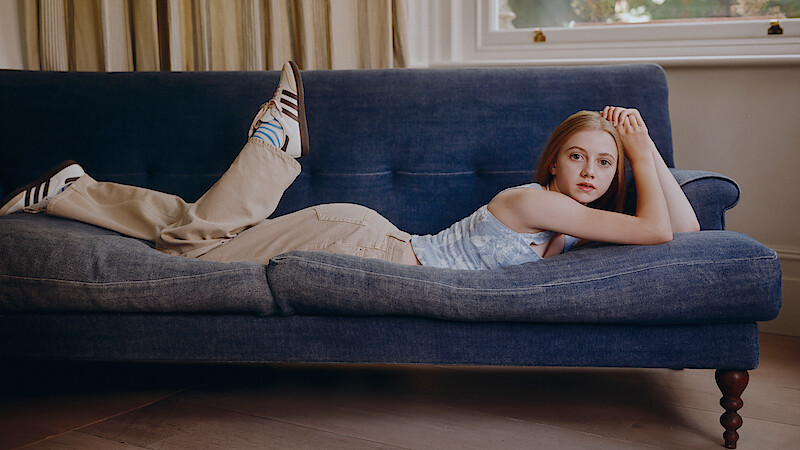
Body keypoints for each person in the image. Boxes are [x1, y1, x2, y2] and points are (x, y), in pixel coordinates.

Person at [0, 61, 699, 270]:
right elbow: (659, 233)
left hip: (368, 242)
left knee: (200, 234)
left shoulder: (577, 220)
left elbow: (690, 234)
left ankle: (75, 190)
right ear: (552, 165)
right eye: (577, 156)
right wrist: (638, 150)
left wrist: (646, 158)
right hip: (364, 245)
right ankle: (275, 142)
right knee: (192, 259)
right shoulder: (539, 202)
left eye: (604, 163)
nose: (589, 171)